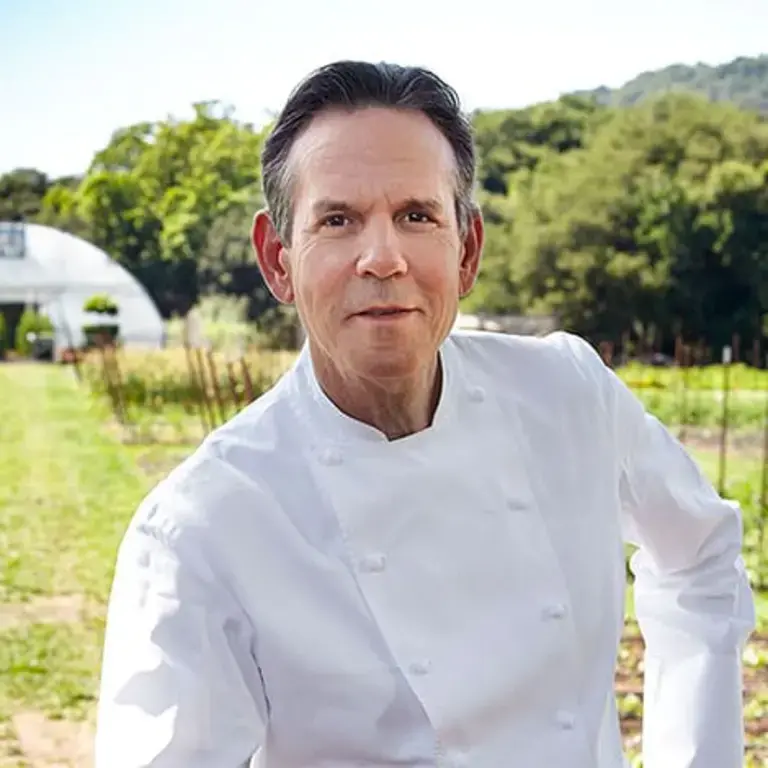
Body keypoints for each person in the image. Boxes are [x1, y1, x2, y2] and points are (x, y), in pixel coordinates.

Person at [94, 60, 756, 768]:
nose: (383, 259)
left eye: (417, 216)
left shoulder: (569, 397)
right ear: (278, 260)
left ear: (467, 250)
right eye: (338, 220)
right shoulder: (202, 526)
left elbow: (701, 559)